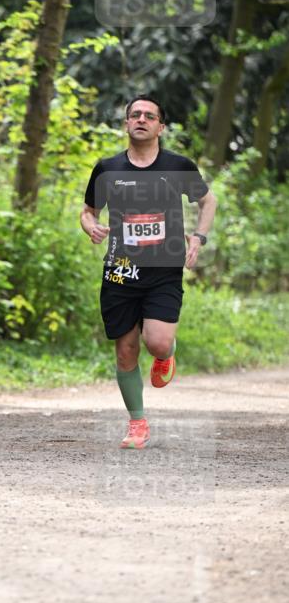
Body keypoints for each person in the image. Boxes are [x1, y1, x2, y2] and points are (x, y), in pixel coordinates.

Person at [80, 95, 217, 449]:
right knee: (125, 351)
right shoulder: (107, 168)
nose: (141, 119)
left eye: (149, 115)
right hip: (120, 270)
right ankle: (137, 422)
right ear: (127, 123)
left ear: (160, 126)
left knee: (155, 342)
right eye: (135, 114)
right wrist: (90, 226)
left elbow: (207, 201)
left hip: (164, 267)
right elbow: (88, 210)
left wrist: (198, 237)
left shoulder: (178, 166)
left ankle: (166, 354)